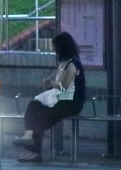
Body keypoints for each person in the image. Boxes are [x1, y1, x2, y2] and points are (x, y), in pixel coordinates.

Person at [13, 31, 86, 162]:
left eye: (56, 47)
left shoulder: (73, 64)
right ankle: (28, 135)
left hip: (72, 103)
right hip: (61, 99)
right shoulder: (64, 62)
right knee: (34, 105)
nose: (55, 50)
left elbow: (64, 85)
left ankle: (35, 152)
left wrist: (50, 83)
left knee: (40, 116)